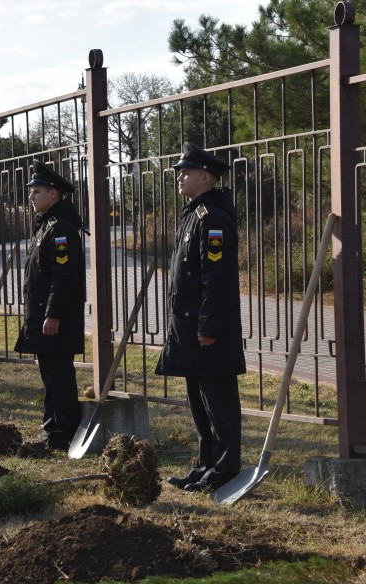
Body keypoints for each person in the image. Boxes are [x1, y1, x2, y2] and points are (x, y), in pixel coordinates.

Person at [157, 142, 244, 493]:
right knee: (199, 400)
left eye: (187, 172)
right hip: (189, 328)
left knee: (218, 401)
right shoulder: (194, 214)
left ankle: (225, 468)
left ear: (206, 177)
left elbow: (217, 279)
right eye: (179, 171)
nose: (180, 177)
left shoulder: (214, 220)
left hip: (208, 330)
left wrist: (208, 326)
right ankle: (206, 463)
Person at [14, 159, 85, 451]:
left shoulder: (61, 229)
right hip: (43, 316)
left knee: (59, 375)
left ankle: (64, 431)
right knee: (49, 375)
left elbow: (64, 277)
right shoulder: (46, 226)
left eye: (37, 192)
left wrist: (53, 314)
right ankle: (52, 428)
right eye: (31, 192)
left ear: (53, 194)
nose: (31, 197)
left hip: (56, 319)